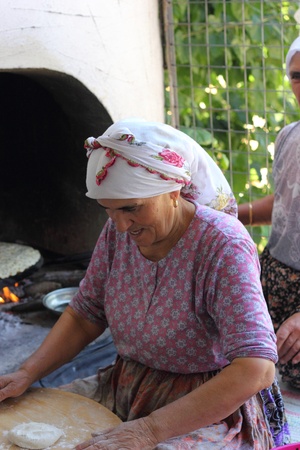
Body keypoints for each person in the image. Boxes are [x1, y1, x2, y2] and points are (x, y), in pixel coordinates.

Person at [0, 119, 290, 449]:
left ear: (173, 191)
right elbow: (85, 314)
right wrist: (27, 372)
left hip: (209, 406)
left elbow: (256, 369)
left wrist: (148, 431)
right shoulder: (117, 233)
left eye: (131, 209)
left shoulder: (223, 245)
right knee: (23, 427)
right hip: (127, 384)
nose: (121, 226)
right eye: (109, 211)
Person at [238, 35, 300, 390]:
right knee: (252, 365)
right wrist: (228, 214)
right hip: (276, 282)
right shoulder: (289, 137)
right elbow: (285, 204)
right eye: (296, 75)